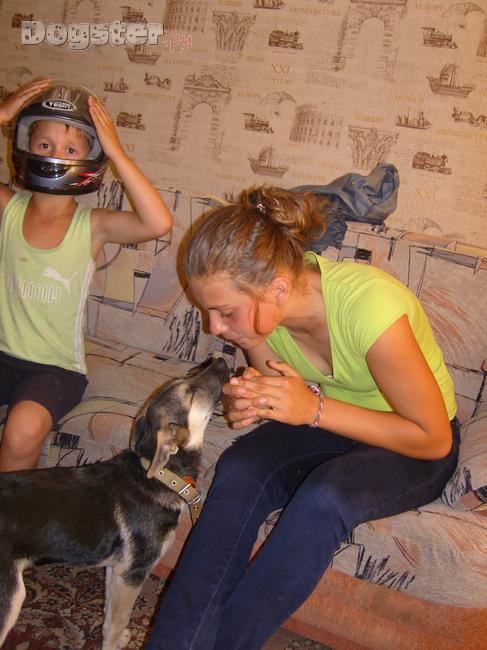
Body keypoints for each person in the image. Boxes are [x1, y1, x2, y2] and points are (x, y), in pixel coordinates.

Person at [145, 186, 459, 650]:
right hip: (332, 424)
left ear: (277, 287)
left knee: (325, 495)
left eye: (225, 312)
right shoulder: (264, 319)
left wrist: (312, 408)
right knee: (239, 469)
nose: (215, 328)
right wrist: (250, 401)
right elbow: (277, 390)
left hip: (412, 442)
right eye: (208, 311)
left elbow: (433, 440)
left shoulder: (369, 308)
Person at [0, 79, 173, 472]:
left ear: (92, 156)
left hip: (54, 368)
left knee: (22, 432)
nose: (55, 155)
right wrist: (4, 114)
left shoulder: (92, 225)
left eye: (71, 149)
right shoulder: (8, 208)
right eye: (44, 144)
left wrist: (116, 151)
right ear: (24, 146)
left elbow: (158, 223)